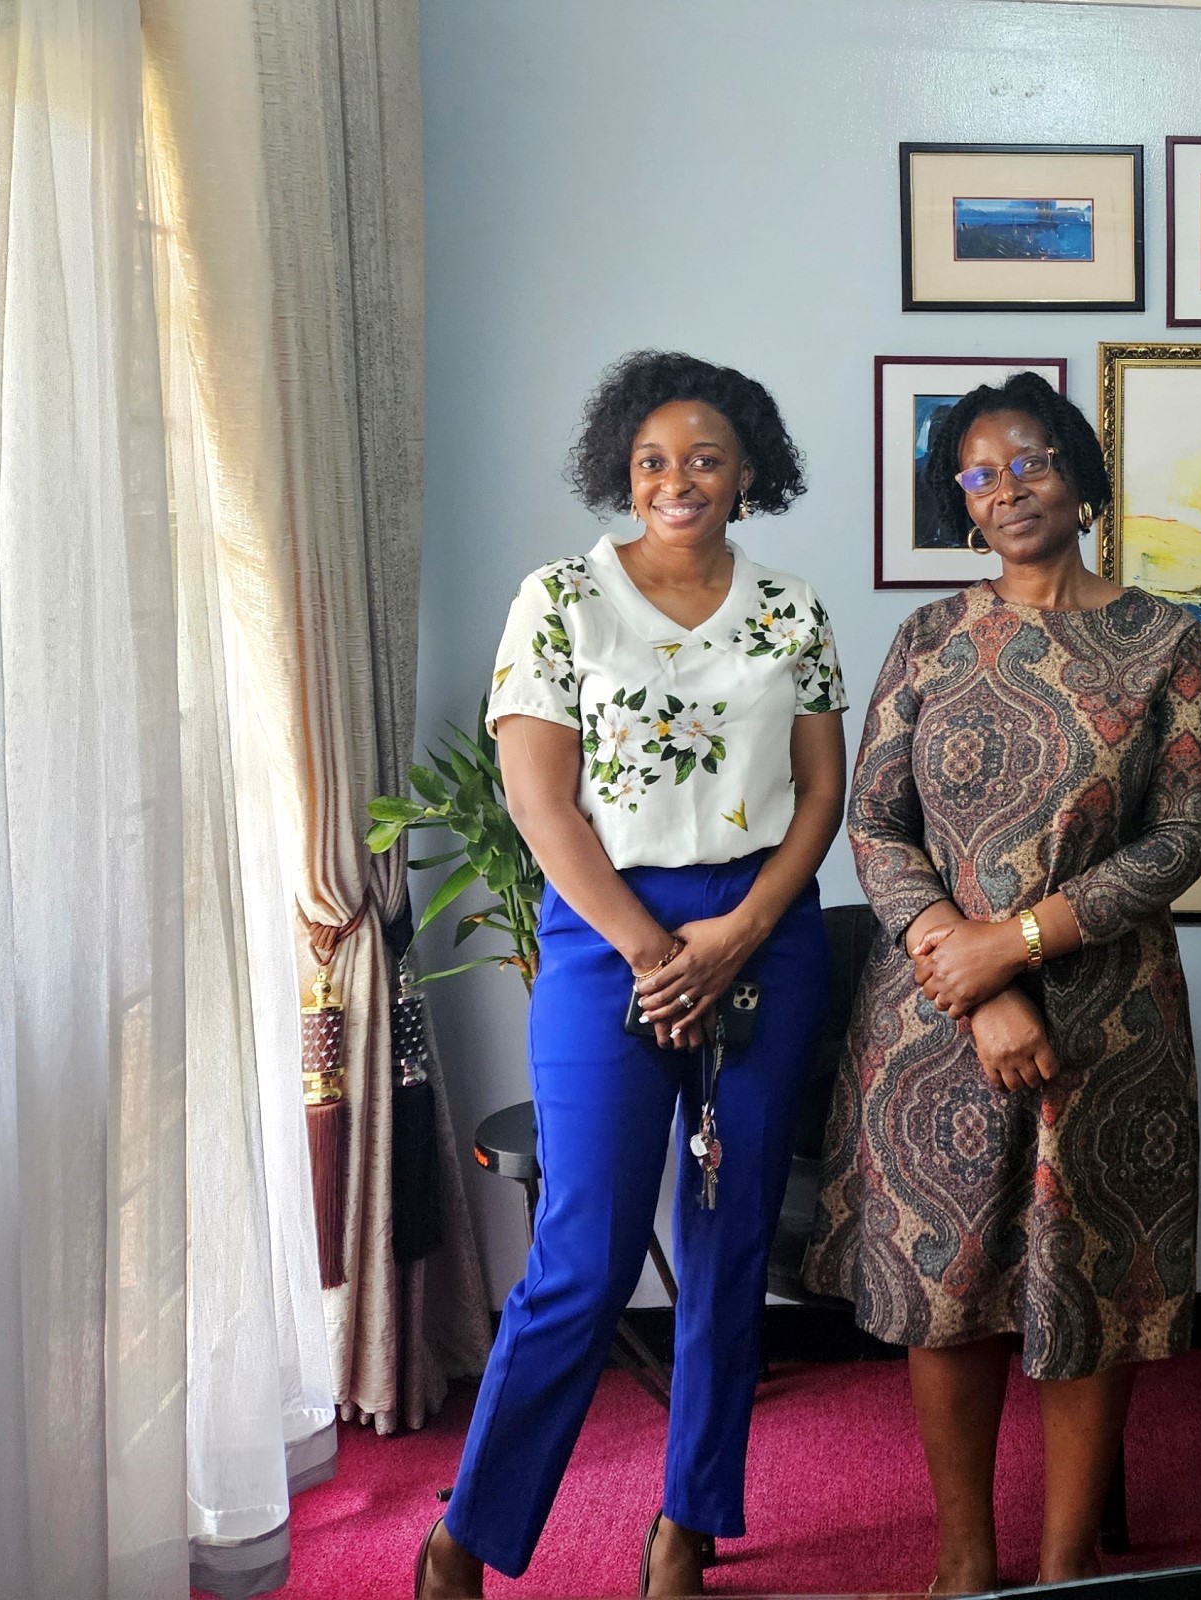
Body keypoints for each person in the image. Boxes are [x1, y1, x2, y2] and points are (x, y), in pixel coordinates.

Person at [417, 352, 848, 1598]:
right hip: (608, 937)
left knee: (728, 1243)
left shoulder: (792, 609)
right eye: (654, 458)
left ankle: (687, 1522)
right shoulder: (558, 599)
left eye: (705, 457)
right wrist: (660, 953)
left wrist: (744, 931)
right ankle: (469, 1532)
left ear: (748, 472)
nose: (678, 479)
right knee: (586, 1252)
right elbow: (538, 805)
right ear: (622, 466)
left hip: (763, 932)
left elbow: (818, 793)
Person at [805, 371, 1201, 1594]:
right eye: (979, 473)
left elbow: (1185, 832)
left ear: (1082, 474)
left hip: (1113, 1020)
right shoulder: (929, 639)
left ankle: (1063, 1574)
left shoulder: (1168, 640)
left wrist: (1024, 941)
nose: (1007, 486)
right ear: (960, 501)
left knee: (1090, 1285)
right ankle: (964, 1567)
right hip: (936, 1021)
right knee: (953, 1286)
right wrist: (975, 972)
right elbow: (874, 823)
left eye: (1030, 459)